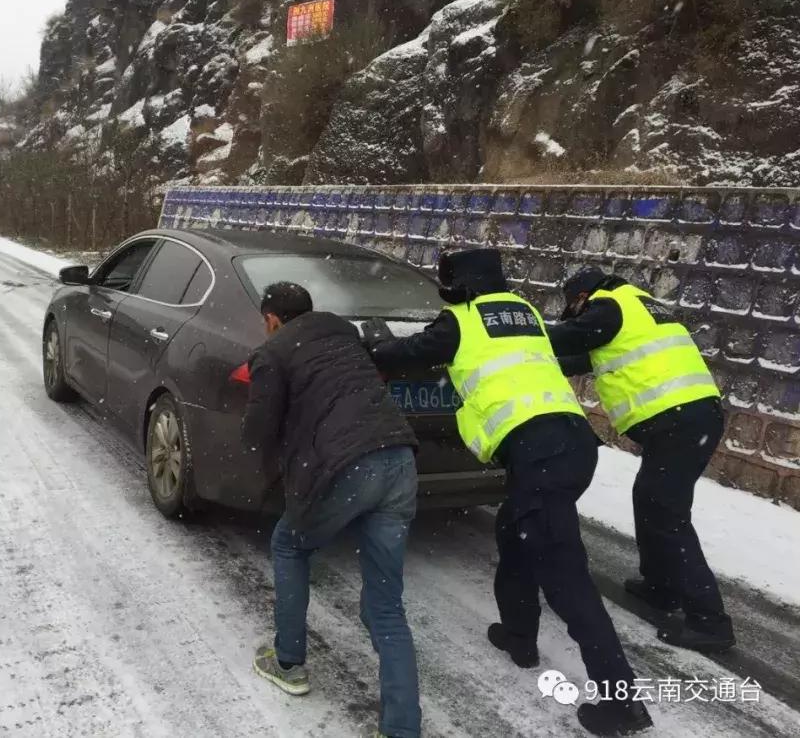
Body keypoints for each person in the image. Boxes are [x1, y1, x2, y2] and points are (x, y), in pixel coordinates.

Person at [365, 249, 651, 737]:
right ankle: (519, 635)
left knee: (566, 579)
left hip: (540, 454)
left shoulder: (461, 319)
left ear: (458, 286)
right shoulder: (524, 312)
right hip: (571, 444)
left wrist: (373, 347)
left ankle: (622, 703)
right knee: (516, 531)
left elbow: (410, 352)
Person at [242, 282, 421, 738]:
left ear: (271, 320)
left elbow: (259, 429)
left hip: (346, 466)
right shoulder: (344, 334)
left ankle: (288, 663)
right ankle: (401, 728)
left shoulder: (272, 352)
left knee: (289, 545)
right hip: (400, 458)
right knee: (385, 605)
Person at [548, 267, 734, 653]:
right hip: (690, 417)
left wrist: (516, 340)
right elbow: (585, 357)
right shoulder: (638, 307)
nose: (577, 314)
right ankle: (661, 587)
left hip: (680, 420)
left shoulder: (607, 306)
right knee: (650, 500)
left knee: (666, 513)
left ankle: (710, 622)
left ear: (582, 297)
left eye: (575, 308)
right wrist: (543, 365)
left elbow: (562, 338)